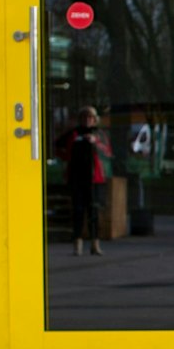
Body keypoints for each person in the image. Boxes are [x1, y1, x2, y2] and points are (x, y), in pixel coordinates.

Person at [55, 106, 113, 255]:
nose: (87, 120)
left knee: (93, 211)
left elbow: (107, 152)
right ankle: (77, 243)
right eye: (85, 117)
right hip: (77, 177)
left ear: (95, 119)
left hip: (94, 179)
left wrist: (95, 142)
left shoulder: (99, 134)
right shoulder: (73, 133)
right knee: (78, 211)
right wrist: (67, 156)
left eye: (90, 118)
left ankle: (95, 244)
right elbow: (58, 147)